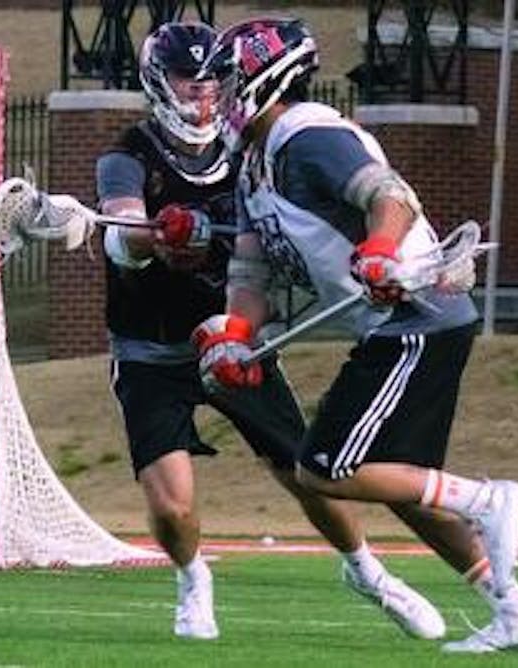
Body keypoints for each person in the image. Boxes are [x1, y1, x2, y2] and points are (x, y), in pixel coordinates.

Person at [194, 17, 518, 653]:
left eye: (226, 80)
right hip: (391, 327)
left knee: (326, 469)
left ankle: (488, 500)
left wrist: (382, 248)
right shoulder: (253, 167)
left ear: (262, 77)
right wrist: (236, 334)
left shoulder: (303, 137)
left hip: (415, 316)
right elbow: (249, 270)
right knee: (406, 487)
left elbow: (388, 195)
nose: (215, 96)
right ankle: (517, 609)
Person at [98, 22, 444, 642]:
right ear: (158, 82)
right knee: (173, 502)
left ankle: (367, 571)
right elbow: (121, 236)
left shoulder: (245, 151)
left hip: (232, 335)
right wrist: (156, 234)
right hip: (151, 347)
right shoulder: (129, 154)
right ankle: (193, 579)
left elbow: (264, 246)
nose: (203, 96)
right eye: (187, 81)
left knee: (303, 469)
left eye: (211, 81)